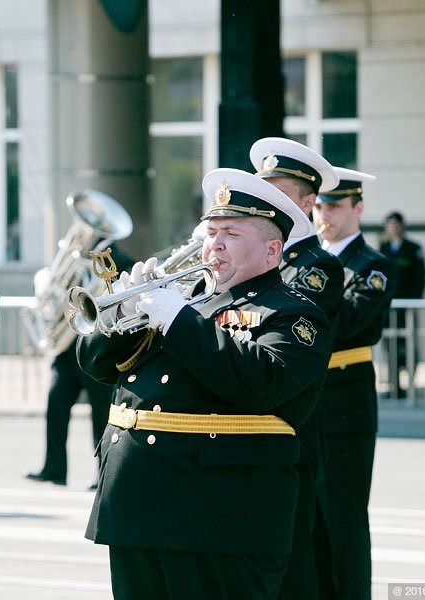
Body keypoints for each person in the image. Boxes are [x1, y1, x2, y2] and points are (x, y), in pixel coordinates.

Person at [77, 168, 331, 599]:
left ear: (273, 249)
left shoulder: (291, 312)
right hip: (135, 502)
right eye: (211, 231)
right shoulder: (183, 297)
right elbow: (96, 365)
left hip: (219, 517)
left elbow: (263, 382)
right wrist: (118, 316)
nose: (214, 244)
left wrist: (177, 320)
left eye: (231, 233)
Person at [249, 137, 344, 600]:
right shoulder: (254, 255)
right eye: (264, 188)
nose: (268, 199)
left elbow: (285, 321)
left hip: (291, 425)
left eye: (281, 191)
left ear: (309, 203)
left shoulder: (317, 265)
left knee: (294, 556)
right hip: (241, 429)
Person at [312, 167, 395, 600]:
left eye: (335, 205)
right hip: (305, 401)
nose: (324, 214)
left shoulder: (372, 265)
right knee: (307, 521)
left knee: (344, 519)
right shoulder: (304, 260)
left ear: (358, 207)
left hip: (345, 403)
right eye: (320, 205)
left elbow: (348, 321)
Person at [26, 242, 135, 488]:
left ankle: (103, 474)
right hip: (67, 349)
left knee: (100, 415)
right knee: (55, 406)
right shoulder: (74, 253)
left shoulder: (119, 258)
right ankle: (53, 468)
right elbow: (58, 293)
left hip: (97, 349)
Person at [378, 211, 425, 397]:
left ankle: (410, 384)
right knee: (389, 347)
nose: (394, 228)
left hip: (407, 308)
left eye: (397, 224)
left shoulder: (413, 249)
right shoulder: (383, 249)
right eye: (390, 224)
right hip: (388, 309)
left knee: (408, 346)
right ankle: (394, 386)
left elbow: (420, 279)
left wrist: (415, 303)